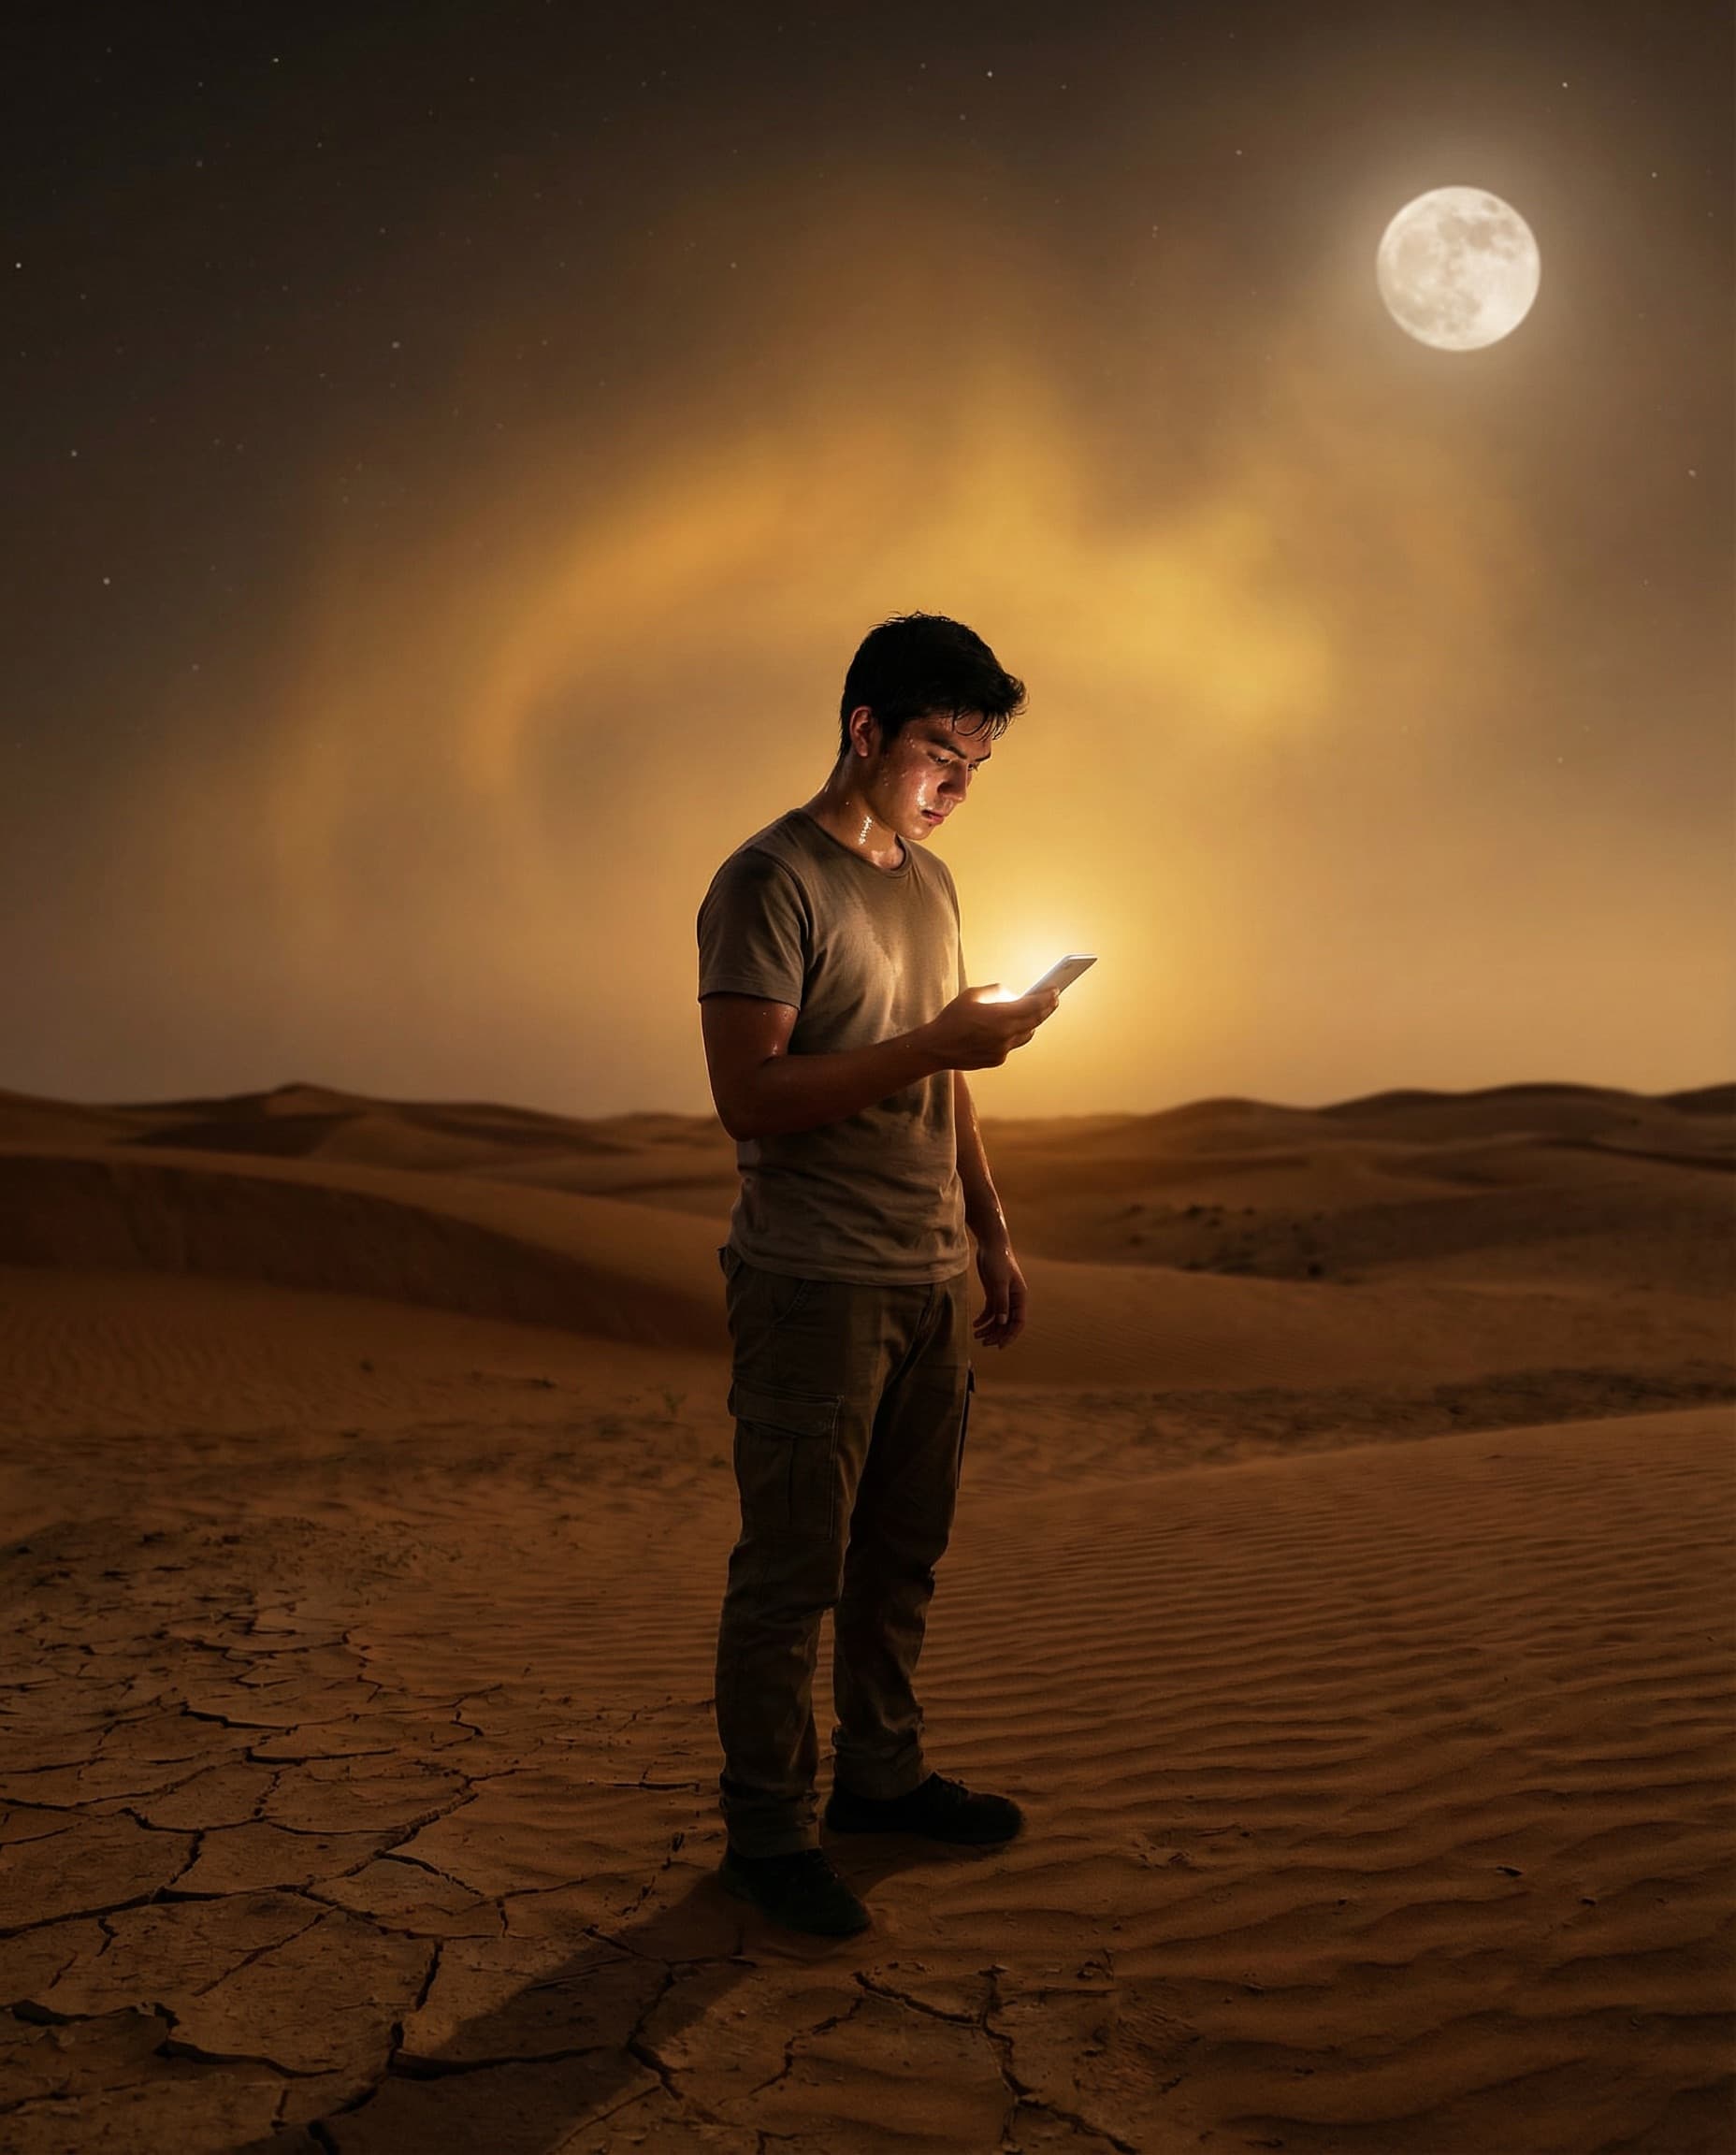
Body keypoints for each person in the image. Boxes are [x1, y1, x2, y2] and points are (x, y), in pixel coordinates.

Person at [695, 611, 1062, 1938]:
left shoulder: (932, 884)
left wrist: (994, 1230)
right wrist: (935, 1046)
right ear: (867, 730)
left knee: (904, 1556)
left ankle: (883, 1777)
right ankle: (768, 1832)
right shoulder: (768, 881)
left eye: (974, 768)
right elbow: (751, 1096)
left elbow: (948, 1084)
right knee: (795, 1571)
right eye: (939, 756)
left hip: (926, 1275)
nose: (956, 791)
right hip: (812, 1282)